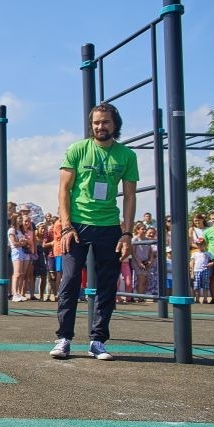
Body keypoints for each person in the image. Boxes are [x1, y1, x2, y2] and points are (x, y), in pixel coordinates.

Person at [50, 103, 138, 361]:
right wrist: (66, 226)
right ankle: (64, 338)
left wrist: (127, 233)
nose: (100, 126)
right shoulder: (77, 149)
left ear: (115, 125)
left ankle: (98, 340)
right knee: (69, 281)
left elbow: (130, 197)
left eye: (105, 122)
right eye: (96, 122)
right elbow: (64, 190)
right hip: (76, 225)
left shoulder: (126, 156)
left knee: (107, 284)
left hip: (109, 226)